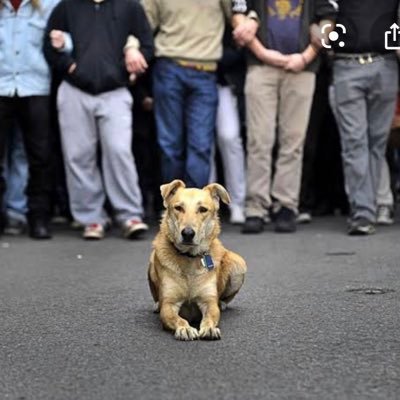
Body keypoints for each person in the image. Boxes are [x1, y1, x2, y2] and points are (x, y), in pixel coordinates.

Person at [44, 0, 154, 240]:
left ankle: (129, 215)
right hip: (74, 91)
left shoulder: (130, 6)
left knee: (119, 151)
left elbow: (148, 45)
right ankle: (91, 218)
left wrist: (132, 62)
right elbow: (49, 46)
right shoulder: (66, 7)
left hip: (115, 91)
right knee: (78, 156)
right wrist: (70, 67)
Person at [235, 0, 338, 234]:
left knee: (293, 141)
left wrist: (307, 55)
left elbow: (328, 18)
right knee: (259, 140)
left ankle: (286, 206)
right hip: (260, 65)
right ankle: (256, 207)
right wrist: (264, 54)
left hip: (302, 67)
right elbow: (238, 12)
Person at [141, 0, 248, 189]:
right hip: (169, 67)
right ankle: (174, 209)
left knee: (200, 146)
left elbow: (238, 12)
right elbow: (144, 23)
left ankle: (194, 210)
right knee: (170, 146)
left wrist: (251, 18)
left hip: (205, 71)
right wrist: (131, 47)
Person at [329, 0, 400, 235]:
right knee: (355, 142)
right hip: (346, 65)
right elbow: (323, 14)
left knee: (377, 143)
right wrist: (328, 44)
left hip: (386, 64)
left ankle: (370, 206)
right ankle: (363, 213)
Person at [0, 0, 60, 239]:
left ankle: (38, 217)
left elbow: (69, 39)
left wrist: (64, 43)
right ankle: (6, 216)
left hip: (35, 87)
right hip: (1, 87)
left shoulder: (49, 5)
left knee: (39, 156)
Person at [211, 26, 247, 224]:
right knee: (202, 143)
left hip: (226, 80)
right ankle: (209, 205)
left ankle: (237, 203)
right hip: (198, 75)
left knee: (230, 137)